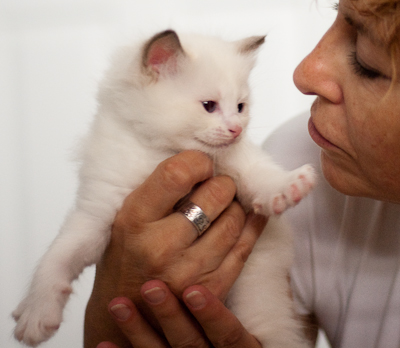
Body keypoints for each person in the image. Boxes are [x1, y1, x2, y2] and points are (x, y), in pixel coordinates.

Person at [84, 0, 400, 347]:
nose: (304, 73)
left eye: (367, 61)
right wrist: (108, 321)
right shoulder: (305, 159)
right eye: (337, 16)